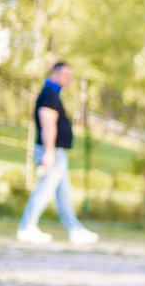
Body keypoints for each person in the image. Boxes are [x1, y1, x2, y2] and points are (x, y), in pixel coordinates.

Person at [17, 60, 97, 245]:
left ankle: (75, 230)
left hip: (58, 152)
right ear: (55, 72)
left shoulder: (53, 94)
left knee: (63, 195)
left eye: (70, 76)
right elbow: (48, 125)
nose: (69, 79)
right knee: (44, 190)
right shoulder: (49, 95)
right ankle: (27, 227)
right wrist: (49, 152)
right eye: (66, 75)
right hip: (51, 151)